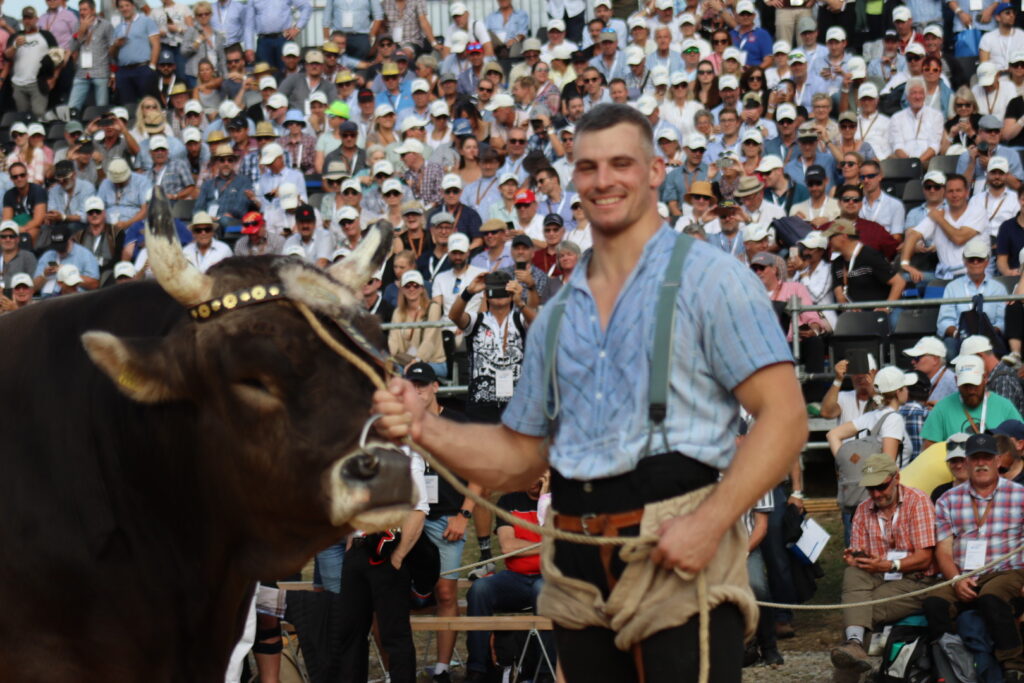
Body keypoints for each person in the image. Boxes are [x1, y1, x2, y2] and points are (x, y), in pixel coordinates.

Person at [372, 103, 806, 681]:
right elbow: (521, 457)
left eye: (621, 163)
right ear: (574, 180)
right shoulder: (556, 316)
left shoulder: (712, 278)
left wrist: (710, 522)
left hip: (676, 547)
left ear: (655, 171)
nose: (604, 180)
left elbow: (785, 418)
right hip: (575, 567)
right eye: (589, 166)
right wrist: (425, 427)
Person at [922, 432, 1024, 682]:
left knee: (991, 596)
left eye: (986, 457)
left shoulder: (1020, 496)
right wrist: (956, 579)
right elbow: (943, 550)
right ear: (966, 462)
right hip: (965, 573)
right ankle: (954, 665)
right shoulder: (947, 500)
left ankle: (1013, 664)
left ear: (998, 460)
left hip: (1007, 570)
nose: (981, 463)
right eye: (975, 458)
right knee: (934, 602)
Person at [829, 454, 938, 676]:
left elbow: (924, 558)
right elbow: (863, 563)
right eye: (871, 489)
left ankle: (854, 644)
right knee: (852, 572)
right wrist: (857, 558)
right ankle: (855, 644)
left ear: (896, 478)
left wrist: (889, 565)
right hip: (878, 576)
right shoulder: (862, 509)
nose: (876, 494)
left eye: (881, 486)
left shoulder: (918, 501)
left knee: (857, 616)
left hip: (916, 580)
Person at [464, 475, 553, 683]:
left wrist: (545, 496)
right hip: (516, 578)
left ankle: (545, 672)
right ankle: (478, 669)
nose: (534, 479)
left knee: (543, 589)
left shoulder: (559, 502)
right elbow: (507, 546)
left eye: (540, 475)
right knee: (480, 589)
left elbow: (560, 545)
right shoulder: (509, 501)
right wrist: (545, 545)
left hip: (549, 578)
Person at [921, 356, 1024, 448]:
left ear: (985, 378)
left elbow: (1021, 442)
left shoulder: (1004, 406)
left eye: (975, 384)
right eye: (965, 385)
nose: (970, 390)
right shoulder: (941, 409)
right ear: (956, 381)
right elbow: (929, 450)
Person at [901, 174, 985, 283]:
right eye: (951, 191)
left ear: (967, 192)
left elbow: (958, 239)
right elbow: (912, 235)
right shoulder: (938, 213)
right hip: (944, 275)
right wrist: (905, 264)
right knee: (902, 278)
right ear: (946, 193)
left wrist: (939, 219)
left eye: (958, 191)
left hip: (970, 274)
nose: (954, 195)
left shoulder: (977, 212)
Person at [935, 240, 1008, 355]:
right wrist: (958, 334)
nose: (975, 262)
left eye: (979, 259)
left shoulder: (999, 288)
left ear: (987, 262)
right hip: (961, 337)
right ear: (964, 261)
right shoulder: (952, 287)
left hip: (989, 338)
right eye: (971, 259)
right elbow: (944, 321)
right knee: (949, 346)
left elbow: (1002, 320)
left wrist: (990, 332)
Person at [826, 219, 905, 309]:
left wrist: (886, 307)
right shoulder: (837, 264)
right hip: (856, 317)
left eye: (830, 237)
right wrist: (849, 310)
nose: (828, 241)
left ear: (843, 236)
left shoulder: (870, 255)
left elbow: (899, 282)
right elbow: (840, 296)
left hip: (879, 314)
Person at [389, 271, 447, 378]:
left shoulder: (433, 308)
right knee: (389, 369)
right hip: (405, 362)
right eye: (407, 286)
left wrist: (416, 361)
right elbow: (393, 341)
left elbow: (429, 340)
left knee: (413, 372)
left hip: (433, 362)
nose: (412, 289)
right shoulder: (398, 312)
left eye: (416, 286)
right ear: (402, 289)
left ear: (422, 289)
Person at [4, 6, 57, 119]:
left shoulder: (46, 35)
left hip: (38, 83)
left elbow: (58, 57)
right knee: (22, 116)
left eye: (30, 18)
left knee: (39, 115)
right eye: (25, 18)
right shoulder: (15, 36)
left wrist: (53, 78)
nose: (27, 21)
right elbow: (7, 56)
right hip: (18, 84)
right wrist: (15, 46)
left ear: (36, 19)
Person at [956, 335, 1024, 415]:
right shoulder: (998, 377)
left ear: (979, 356)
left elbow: (1000, 419)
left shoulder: (1003, 381)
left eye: (968, 362)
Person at [110, 0, 160, 108]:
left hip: (142, 68)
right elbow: (112, 54)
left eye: (127, 5)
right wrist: (116, 45)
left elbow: (156, 44)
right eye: (121, 7)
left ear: (133, 6)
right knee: (128, 106)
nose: (124, 9)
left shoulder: (146, 21)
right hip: (124, 71)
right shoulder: (118, 27)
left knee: (148, 104)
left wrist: (152, 67)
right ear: (118, 9)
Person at [33, 223, 99, 296]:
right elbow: (33, 288)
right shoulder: (48, 256)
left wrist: (69, 274)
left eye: (63, 247)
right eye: (57, 247)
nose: (59, 250)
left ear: (71, 239)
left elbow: (94, 284)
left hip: (75, 298)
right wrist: (44, 275)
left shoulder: (84, 255)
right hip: (49, 299)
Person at [903, 336, 957, 406]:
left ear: (935, 360)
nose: (912, 362)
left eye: (917, 358)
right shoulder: (917, 381)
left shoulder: (953, 382)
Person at [931, 433, 971, 502]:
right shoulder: (939, 493)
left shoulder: (986, 491)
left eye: (963, 460)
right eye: (953, 461)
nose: (959, 466)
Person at [0, 220, 36, 288]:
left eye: (12, 236)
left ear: (18, 239)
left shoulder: (27, 257)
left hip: (19, 295)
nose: (8, 239)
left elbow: (32, 283)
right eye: (3, 237)